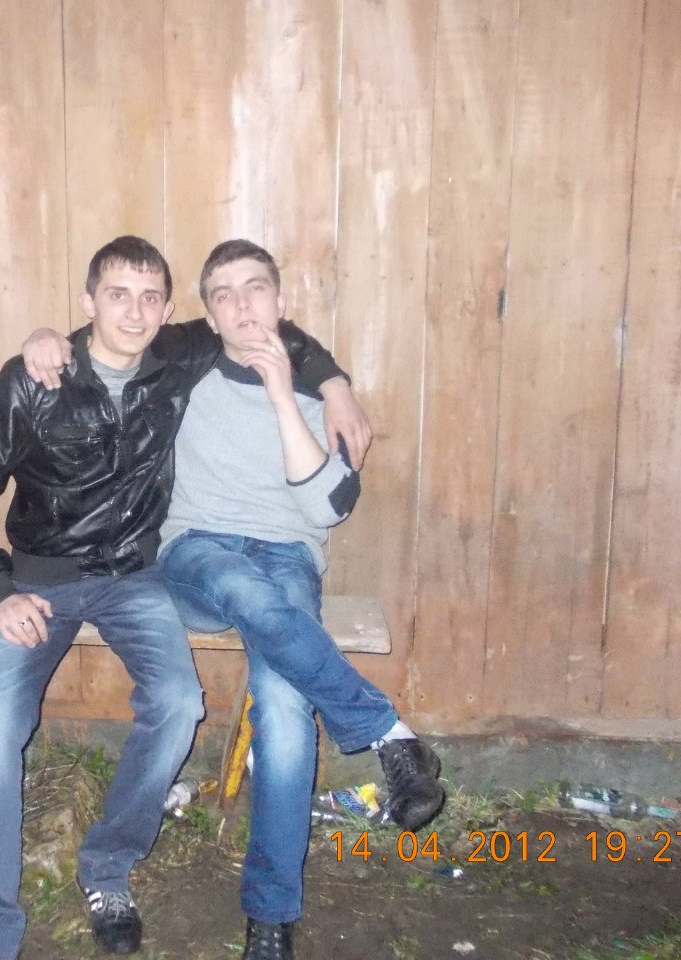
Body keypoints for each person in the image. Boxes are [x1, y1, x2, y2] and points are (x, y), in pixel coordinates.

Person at [0, 236, 367, 960]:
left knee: (177, 704)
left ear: (167, 311)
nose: (133, 312)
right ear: (87, 302)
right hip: (36, 581)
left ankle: (107, 866)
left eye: (149, 298)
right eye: (117, 295)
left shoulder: (176, 358)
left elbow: (260, 322)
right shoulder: (35, 378)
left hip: (134, 577)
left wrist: (337, 383)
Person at [158, 239, 445, 960]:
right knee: (238, 584)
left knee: (285, 706)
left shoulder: (319, 396)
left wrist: (289, 393)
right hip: (196, 551)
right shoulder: (183, 371)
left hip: (287, 555)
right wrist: (46, 340)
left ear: (281, 302)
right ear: (209, 316)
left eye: (255, 288)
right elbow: (109, 338)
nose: (242, 305)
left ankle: (271, 916)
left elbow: (325, 509)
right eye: (223, 294)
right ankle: (386, 731)